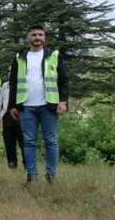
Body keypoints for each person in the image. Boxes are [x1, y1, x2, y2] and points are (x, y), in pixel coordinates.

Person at [7, 25, 69, 184]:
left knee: (51, 141)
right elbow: (13, 82)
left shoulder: (54, 55)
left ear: (45, 38)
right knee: (28, 142)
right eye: (34, 35)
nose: (37, 38)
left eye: (40, 35)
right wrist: (12, 105)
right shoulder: (19, 57)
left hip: (49, 105)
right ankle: (32, 176)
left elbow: (63, 80)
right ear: (28, 38)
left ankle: (51, 175)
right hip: (26, 106)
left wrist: (63, 101)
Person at [0, 80, 26, 169]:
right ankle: (12, 164)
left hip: (21, 115)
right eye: (8, 71)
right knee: (8, 142)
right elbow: (0, 102)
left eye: (11, 71)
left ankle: (27, 165)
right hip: (7, 115)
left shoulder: (24, 83)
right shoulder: (5, 85)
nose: (10, 73)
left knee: (23, 142)